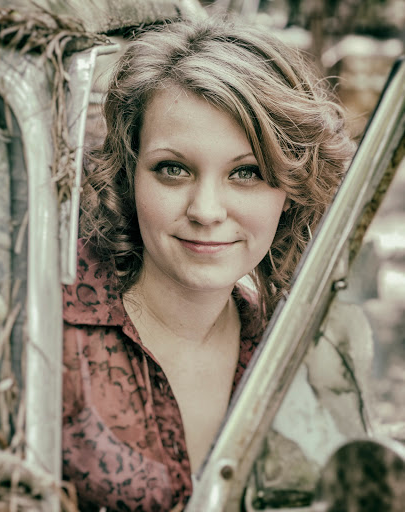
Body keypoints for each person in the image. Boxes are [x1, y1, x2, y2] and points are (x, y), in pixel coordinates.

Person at [61, 14, 355, 511]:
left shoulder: (291, 348)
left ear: (291, 189)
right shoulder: (48, 332)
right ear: (130, 175)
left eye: (246, 173)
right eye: (173, 169)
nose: (206, 211)